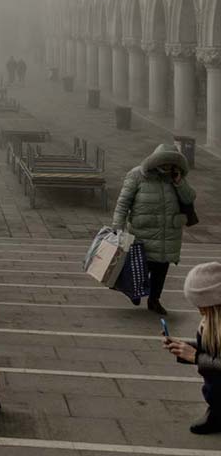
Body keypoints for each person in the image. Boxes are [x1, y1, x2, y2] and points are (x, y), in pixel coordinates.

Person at [112, 144, 196, 315]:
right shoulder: (137, 175)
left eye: (170, 164)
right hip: (143, 231)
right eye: (164, 163)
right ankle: (134, 291)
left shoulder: (176, 178)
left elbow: (189, 198)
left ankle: (154, 300)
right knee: (140, 266)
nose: (167, 167)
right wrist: (117, 226)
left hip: (168, 233)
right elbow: (123, 203)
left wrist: (179, 182)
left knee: (161, 268)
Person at [164, 262, 221, 434]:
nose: (197, 309)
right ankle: (217, 409)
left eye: (200, 305)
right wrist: (184, 348)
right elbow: (212, 350)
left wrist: (195, 357)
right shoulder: (212, 321)